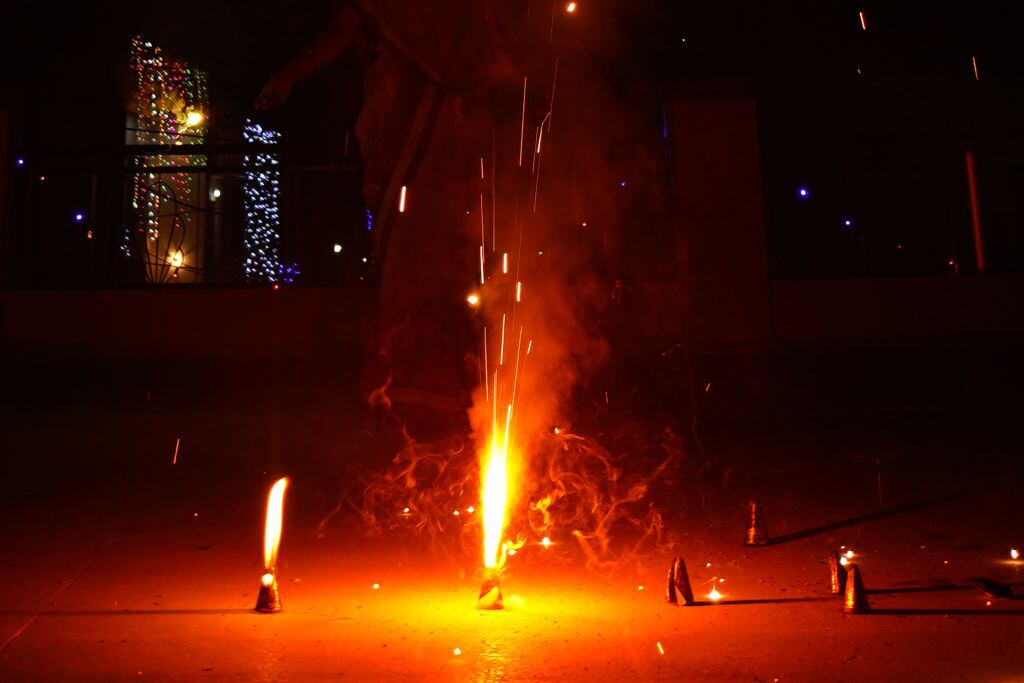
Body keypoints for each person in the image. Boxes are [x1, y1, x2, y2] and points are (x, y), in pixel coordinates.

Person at [258, 1, 518, 436]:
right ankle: (401, 388)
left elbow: (479, 46)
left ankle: (442, 391)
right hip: (393, 124)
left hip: (445, 130)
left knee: (437, 257)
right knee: (402, 255)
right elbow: (343, 27)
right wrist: (291, 74)